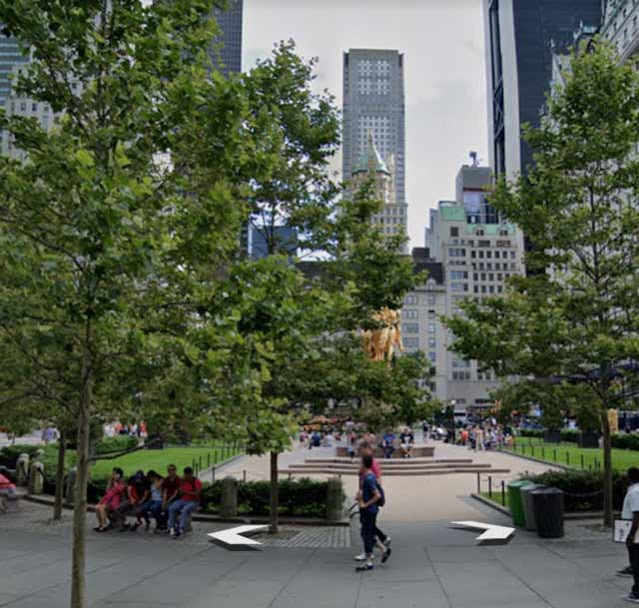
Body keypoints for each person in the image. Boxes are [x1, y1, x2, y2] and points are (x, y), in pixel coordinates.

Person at [354, 443, 391, 563]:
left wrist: (365, 503)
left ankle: (370, 556)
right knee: (366, 531)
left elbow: (377, 493)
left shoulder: (369, 477)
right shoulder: (366, 476)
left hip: (369, 508)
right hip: (367, 507)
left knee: (367, 532)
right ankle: (381, 549)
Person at [167, 467, 202, 538]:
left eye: (188, 475)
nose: (186, 476)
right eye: (185, 475)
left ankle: (181, 529)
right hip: (183, 500)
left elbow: (197, 493)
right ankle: (172, 528)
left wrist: (186, 492)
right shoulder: (183, 481)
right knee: (172, 508)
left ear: (191, 474)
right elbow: (180, 492)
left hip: (193, 501)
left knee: (184, 510)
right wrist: (180, 488)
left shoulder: (196, 482)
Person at [621, 467, 639, 603]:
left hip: (635, 532)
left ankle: (637, 593)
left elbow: (637, 515)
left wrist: (631, 535)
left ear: (630, 477)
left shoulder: (634, 492)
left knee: (636, 562)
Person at [94, 468, 125, 532]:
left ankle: (104, 525)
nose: (113, 475)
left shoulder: (121, 481)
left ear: (119, 475)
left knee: (101, 508)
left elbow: (120, 490)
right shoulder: (111, 481)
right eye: (113, 473)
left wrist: (115, 483)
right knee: (97, 507)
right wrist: (109, 483)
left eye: (114, 473)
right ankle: (100, 524)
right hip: (107, 499)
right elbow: (107, 491)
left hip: (115, 501)